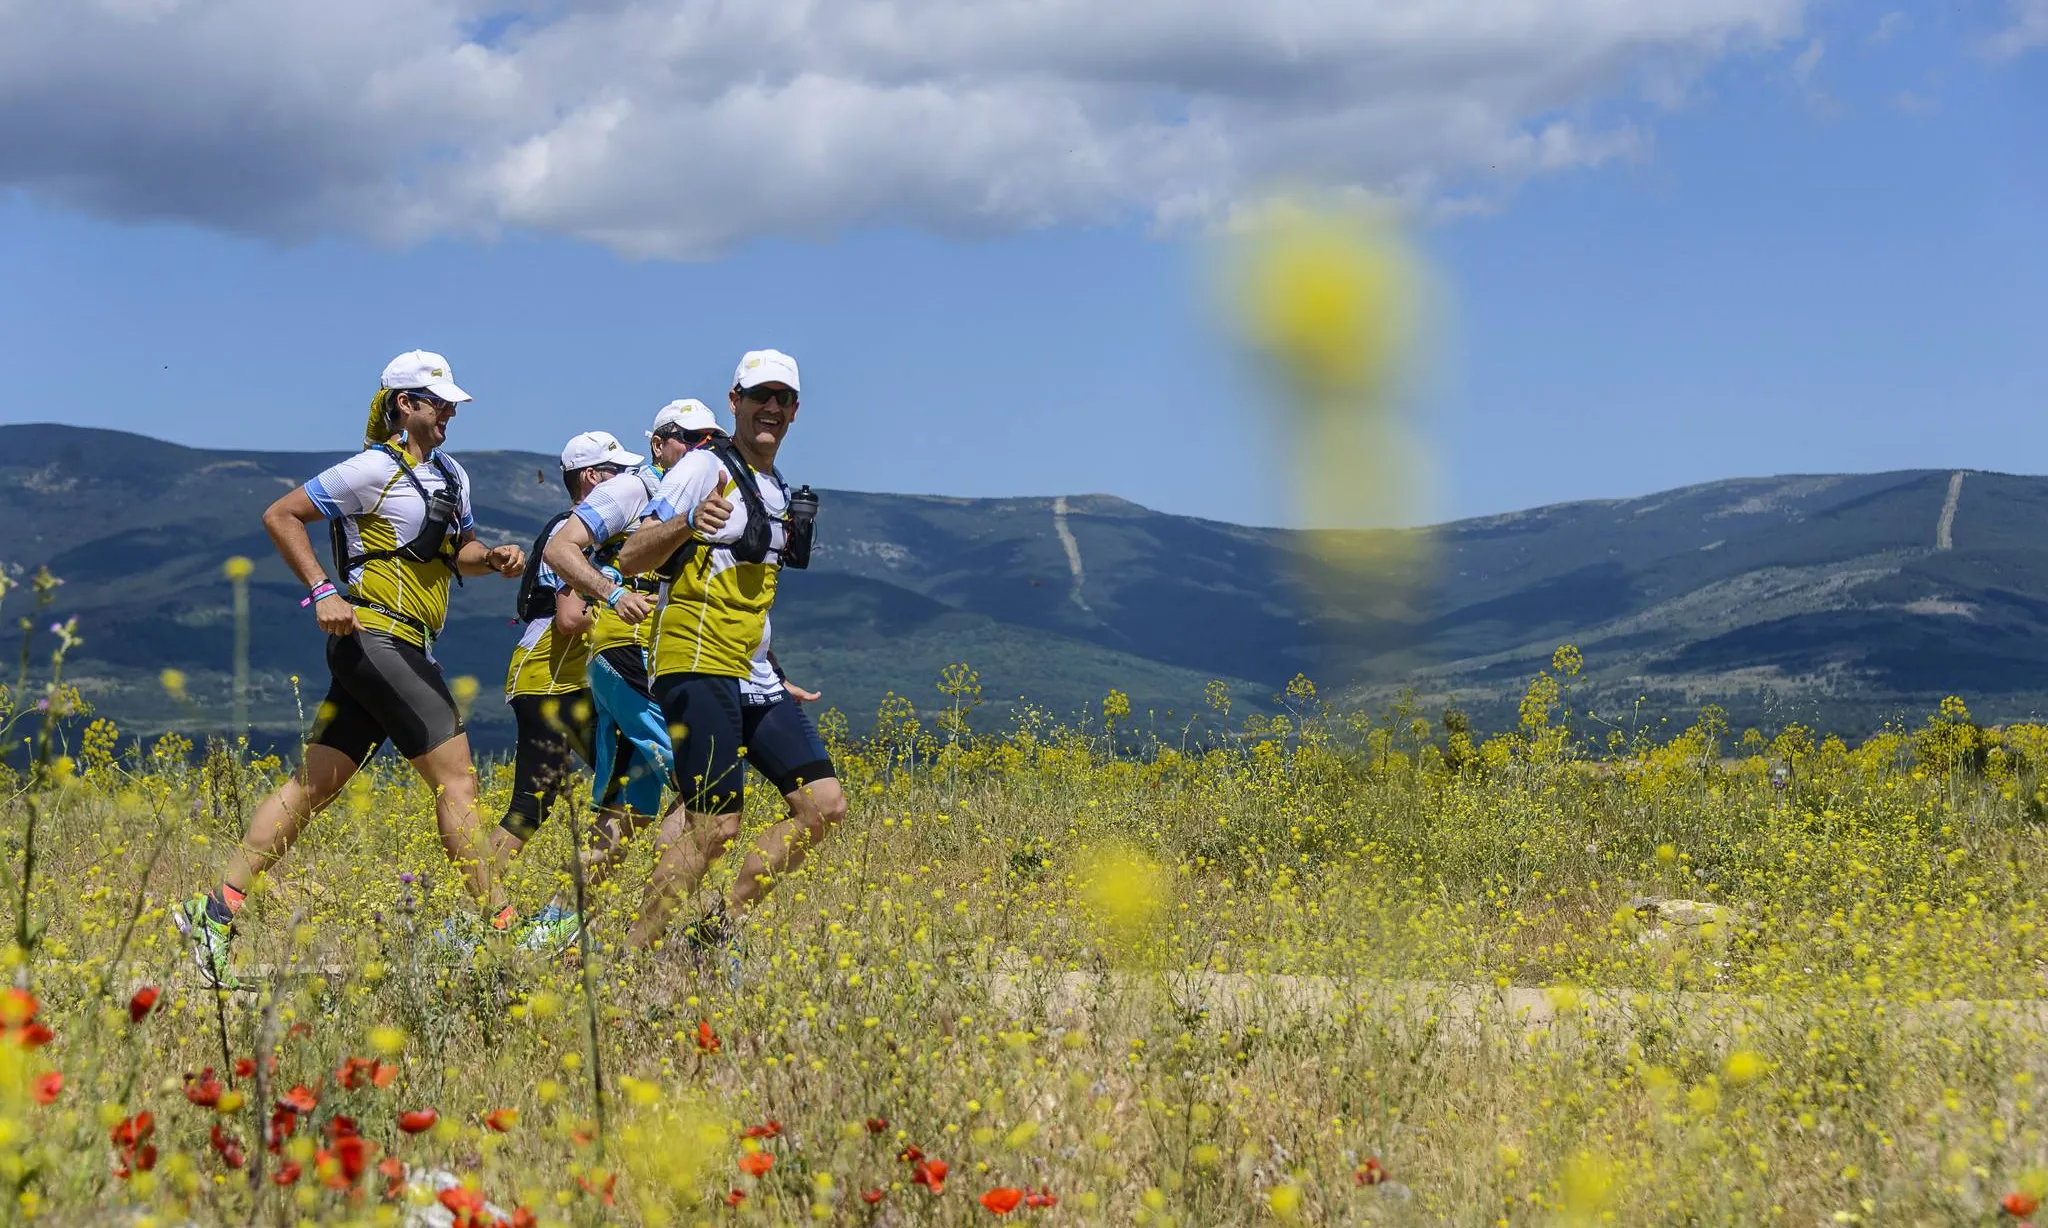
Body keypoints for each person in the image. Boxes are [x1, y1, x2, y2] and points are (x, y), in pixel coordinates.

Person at [175, 350, 525, 987]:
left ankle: (213, 914)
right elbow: (281, 515)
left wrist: (492, 558)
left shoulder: (452, 476)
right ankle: (505, 927)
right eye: (437, 401)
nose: (449, 411)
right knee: (458, 783)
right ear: (405, 405)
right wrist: (321, 591)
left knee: (313, 787)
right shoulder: (370, 470)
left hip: (406, 643)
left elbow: (458, 553)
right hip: (375, 639)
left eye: (452, 402)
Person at [612, 349, 846, 967]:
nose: (771, 408)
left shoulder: (773, 487)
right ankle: (631, 957)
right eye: (758, 396)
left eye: (783, 398)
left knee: (823, 806)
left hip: (754, 671)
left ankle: (721, 927)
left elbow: (747, 592)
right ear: (735, 402)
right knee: (715, 825)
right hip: (696, 660)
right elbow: (633, 555)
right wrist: (688, 521)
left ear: (795, 411)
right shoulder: (703, 469)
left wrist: (778, 668)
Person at [494, 431, 645, 859]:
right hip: (548, 676)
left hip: (568, 679)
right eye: (617, 473)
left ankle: (578, 905)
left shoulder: (591, 534)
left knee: (629, 787)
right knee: (532, 805)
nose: (626, 482)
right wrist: (630, 610)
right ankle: (473, 909)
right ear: (593, 478)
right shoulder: (572, 537)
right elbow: (570, 618)